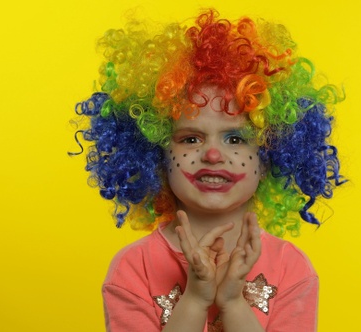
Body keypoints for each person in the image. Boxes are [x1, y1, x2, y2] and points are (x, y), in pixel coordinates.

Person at [71, 8, 345, 331]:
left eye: (235, 138)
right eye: (190, 138)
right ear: (155, 152)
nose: (213, 154)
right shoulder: (133, 270)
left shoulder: (291, 269)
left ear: (270, 153)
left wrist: (232, 303)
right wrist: (195, 300)